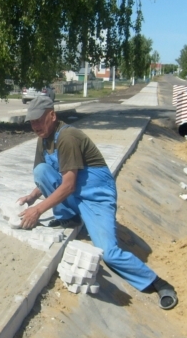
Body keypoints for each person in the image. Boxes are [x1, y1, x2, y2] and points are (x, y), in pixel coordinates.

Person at [17, 96, 178, 310]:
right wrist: (31, 197)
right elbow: (49, 174)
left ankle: (157, 283)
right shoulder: (43, 139)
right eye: (31, 122)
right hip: (74, 193)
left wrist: (37, 210)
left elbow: (68, 185)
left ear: (52, 116)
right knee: (40, 170)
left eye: (38, 120)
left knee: (109, 253)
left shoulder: (68, 137)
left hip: (96, 196)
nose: (35, 126)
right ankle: (70, 217)